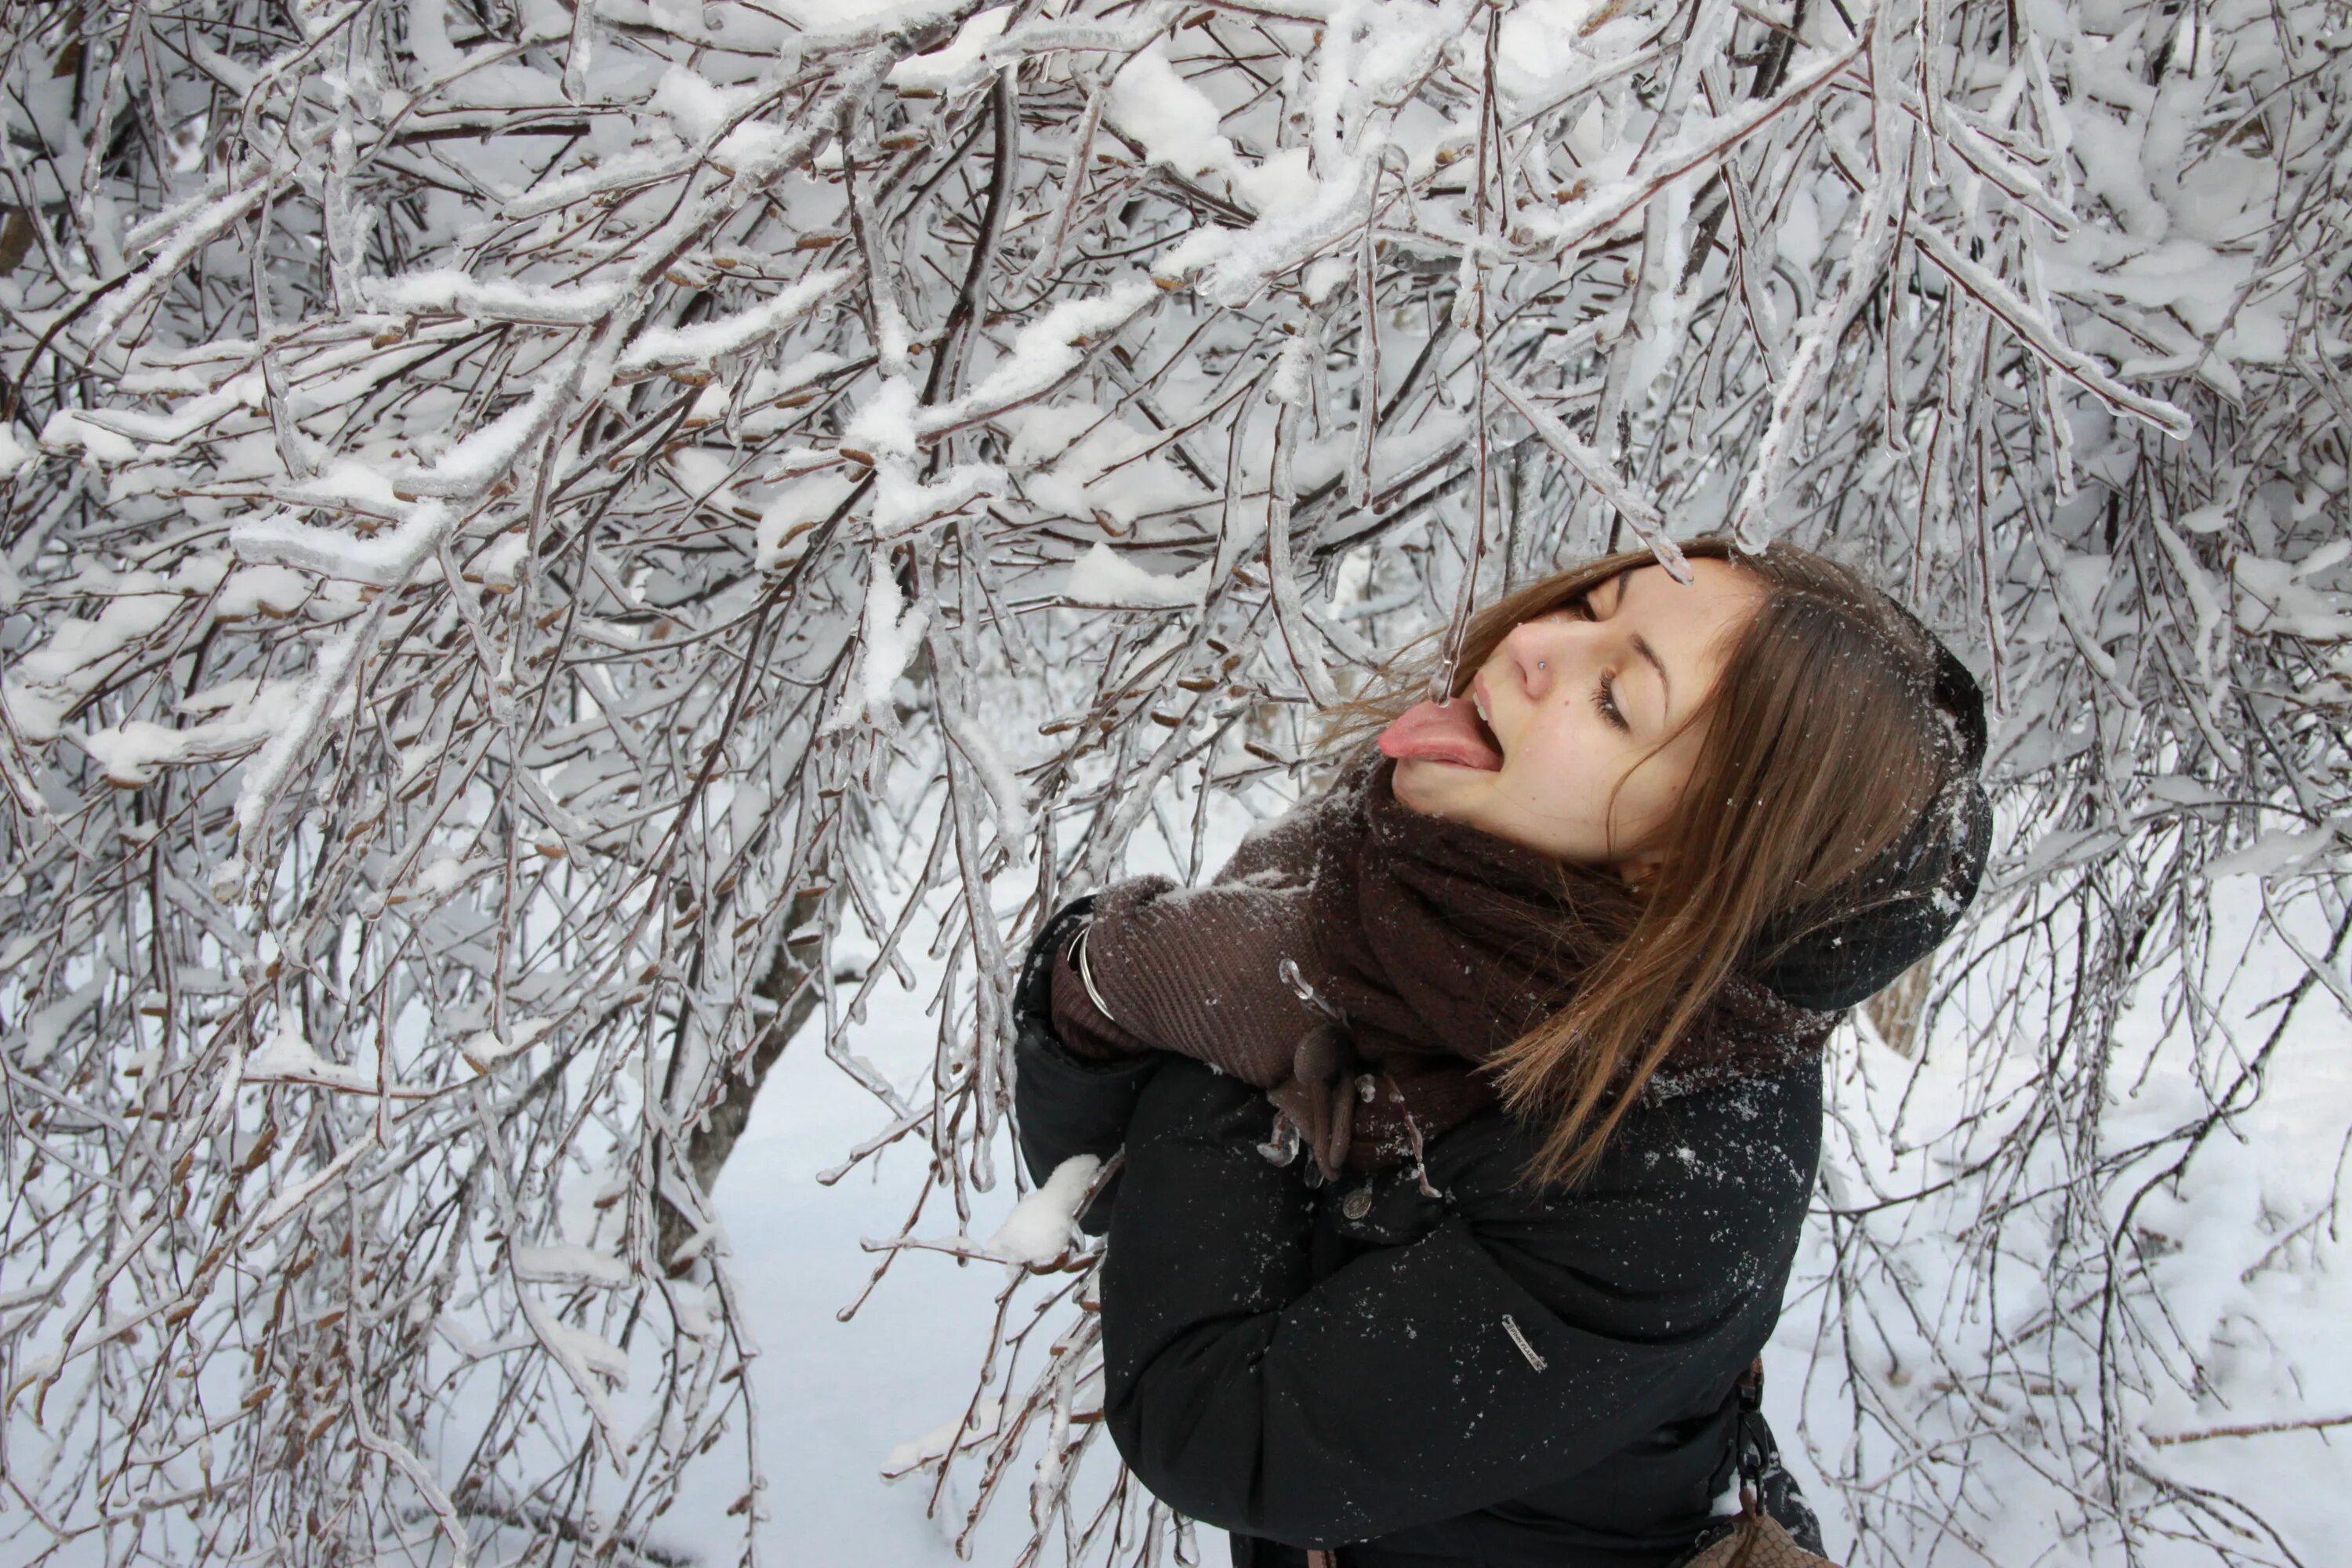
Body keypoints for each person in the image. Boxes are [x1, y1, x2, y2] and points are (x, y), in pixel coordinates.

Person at [1010, 535, 1991, 1568]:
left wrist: (1242, 1026)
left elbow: (1222, 1425)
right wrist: (1144, 989)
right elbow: (1106, 1187)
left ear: (1679, 870)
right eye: (1587, 609)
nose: (1531, 640)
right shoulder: (1410, 886)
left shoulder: (1668, 1185)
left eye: (1616, 699)